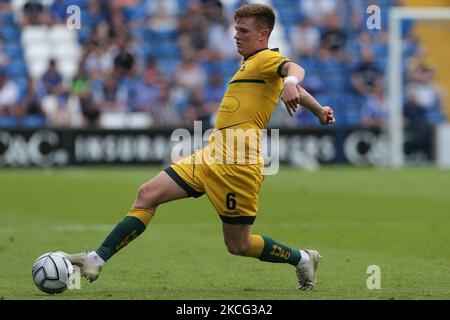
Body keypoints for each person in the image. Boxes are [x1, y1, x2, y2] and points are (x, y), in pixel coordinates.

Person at [59, 3, 335, 291]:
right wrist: (317, 109)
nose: (236, 36)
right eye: (235, 30)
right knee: (147, 194)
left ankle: (302, 258)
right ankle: (96, 259)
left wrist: (291, 80)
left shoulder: (267, 58)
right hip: (212, 154)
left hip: (237, 165)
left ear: (263, 34)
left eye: (243, 31)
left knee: (238, 245)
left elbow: (295, 71)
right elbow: (293, 90)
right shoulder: (253, 64)